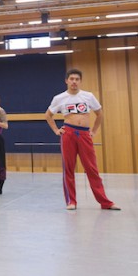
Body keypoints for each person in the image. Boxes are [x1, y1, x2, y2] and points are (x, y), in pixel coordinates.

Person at [45, 69, 120, 211]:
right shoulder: (59, 98)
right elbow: (48, 115)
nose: (74, 82)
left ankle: (105, 202)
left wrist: (94, 131)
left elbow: (99, 114)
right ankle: (71, 201)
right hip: (68, 134)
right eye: (71, 79)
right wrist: (56, 130)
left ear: (80, 81)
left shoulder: (88, 96)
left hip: (85, 134)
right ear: (66, 81)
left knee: (92, 168)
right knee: (68, 168)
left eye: (77, 79)